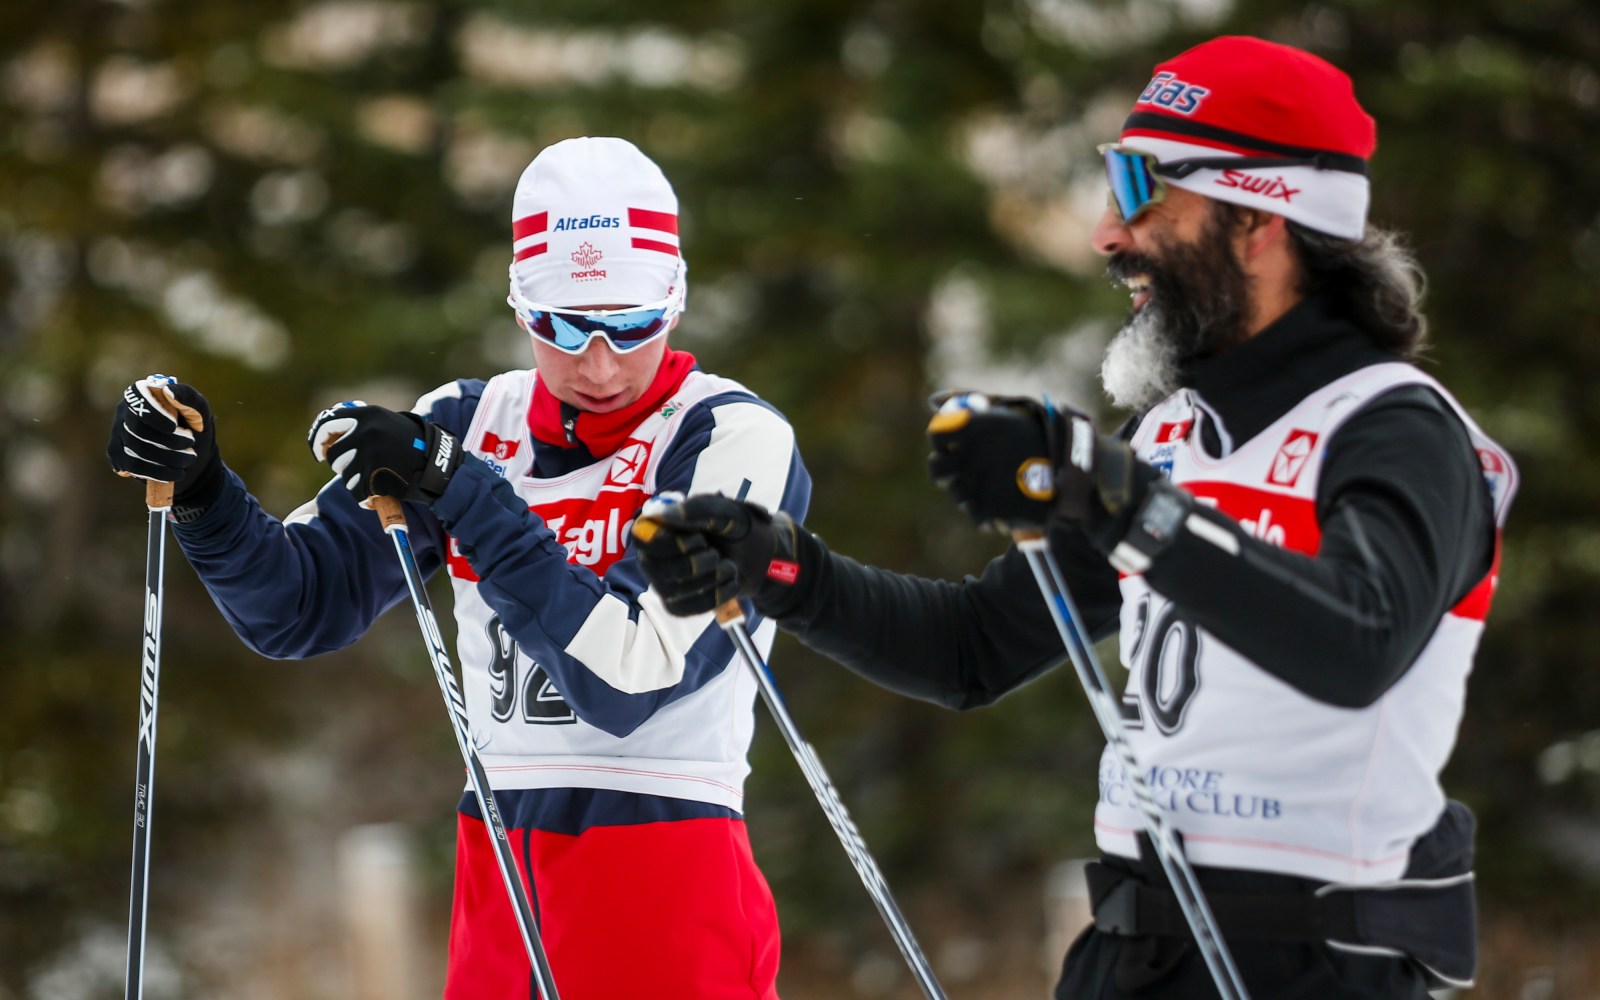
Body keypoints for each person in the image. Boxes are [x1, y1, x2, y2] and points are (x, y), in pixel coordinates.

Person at [631, 36, 1517, 999]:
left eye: (1143, 190)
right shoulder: (1176, 435)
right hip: (1132, 955)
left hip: (1312, 965)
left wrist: (1121, 501)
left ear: (1260, 220)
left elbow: (1359, 641)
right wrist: (781, 569)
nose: (1107, 231)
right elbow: (974, 648)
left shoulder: (1397, 430)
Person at [107, 137, 810, 1000]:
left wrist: (463, 490)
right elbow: (298, 607)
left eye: (629, 325)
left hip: (667, 862)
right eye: (562, 325)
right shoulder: (470, 424)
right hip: (502, 871)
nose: (598, 362)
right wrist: (204, 491)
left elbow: (628, 681)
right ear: (520, 308)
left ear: (676, 300)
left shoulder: (731, 439)